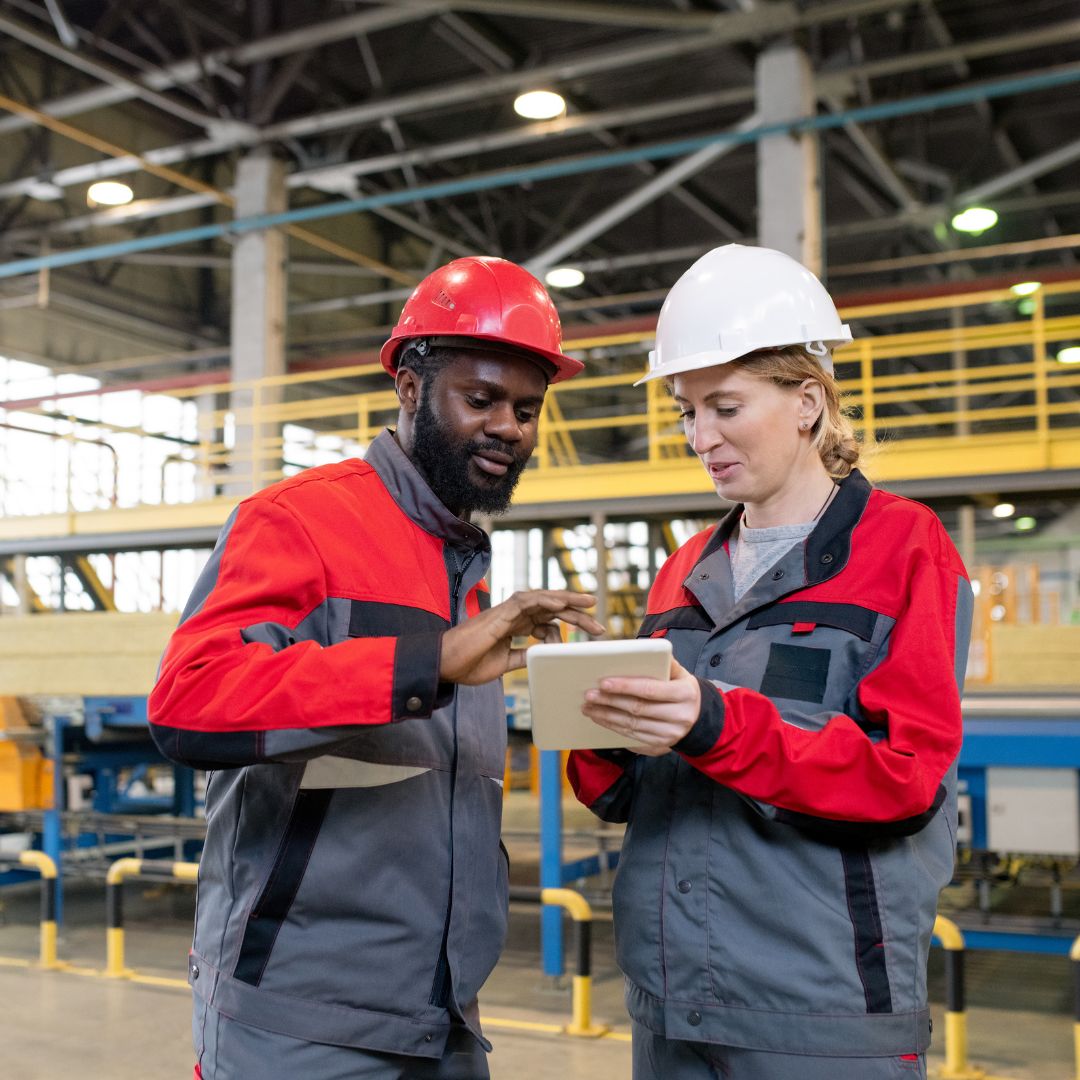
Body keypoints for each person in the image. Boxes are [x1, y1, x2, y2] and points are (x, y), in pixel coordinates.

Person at [148, 256, 605, 1079]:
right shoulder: (299, 522)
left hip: (443, 1017)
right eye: (482, 399)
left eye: (529, 409)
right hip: (300, 1025)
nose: (511, 427)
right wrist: (428, 660)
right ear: (409, 387)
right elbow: (191, 700)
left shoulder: (462, 564)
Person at [568, 244, 973, 1080]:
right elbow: (627, 797)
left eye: (724, 406)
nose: (698, 437)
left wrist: (712, 720)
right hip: (673, 1001)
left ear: (807, 402)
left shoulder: (904, 548)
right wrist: (597, 725)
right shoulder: (685, 567)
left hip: (819, 1014)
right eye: (686, 411)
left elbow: (906, 778)